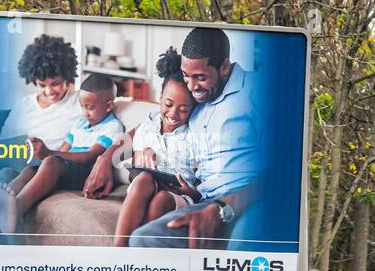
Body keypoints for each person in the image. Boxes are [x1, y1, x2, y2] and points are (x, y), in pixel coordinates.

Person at [84, 26, 262, 249]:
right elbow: (144, 127)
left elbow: (282, 171)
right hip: (200, 200)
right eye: (187, 76)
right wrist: (106, 157)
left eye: (200, 77)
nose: (191, 86)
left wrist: (223, 209)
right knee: (144, 237)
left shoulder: (258, 91)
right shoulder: (196, 99)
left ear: (224, 67)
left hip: (242, 203)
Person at [0, 73, 123, 233]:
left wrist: (49, 153)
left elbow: (89, 156)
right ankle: (3, 198)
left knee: (52, 161)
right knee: (32, 169)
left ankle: (16, 207)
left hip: (87, 173)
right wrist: (42, 157)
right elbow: (63, 150)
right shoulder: (81, 123)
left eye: (89, 107)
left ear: (108, 106)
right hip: (67, 168)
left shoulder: (112, 126)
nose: (84, 112)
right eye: (82, 106)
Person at [0, 34, 81, 231]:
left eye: (55, 83)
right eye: (42, 85)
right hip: (10, 163)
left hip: (45, 169)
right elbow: (2, 142)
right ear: (33, 80)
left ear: (68, 76)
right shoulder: (23, 105)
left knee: (5, 175)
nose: (49, 91)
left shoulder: (80, 104)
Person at [112, 48, 201, 247]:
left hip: (179, 195)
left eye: (184, 109)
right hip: (147, 185)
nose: (173, 113)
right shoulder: (148, 125)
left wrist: (191, 191)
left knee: (162, 199)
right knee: (144, 178)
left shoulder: (193, 135)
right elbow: (128, 166)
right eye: (168, 104)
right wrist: (140, 155)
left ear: (193, 109)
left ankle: (144, 251)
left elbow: (202, 189)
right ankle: (117, 251)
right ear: (160, 97)